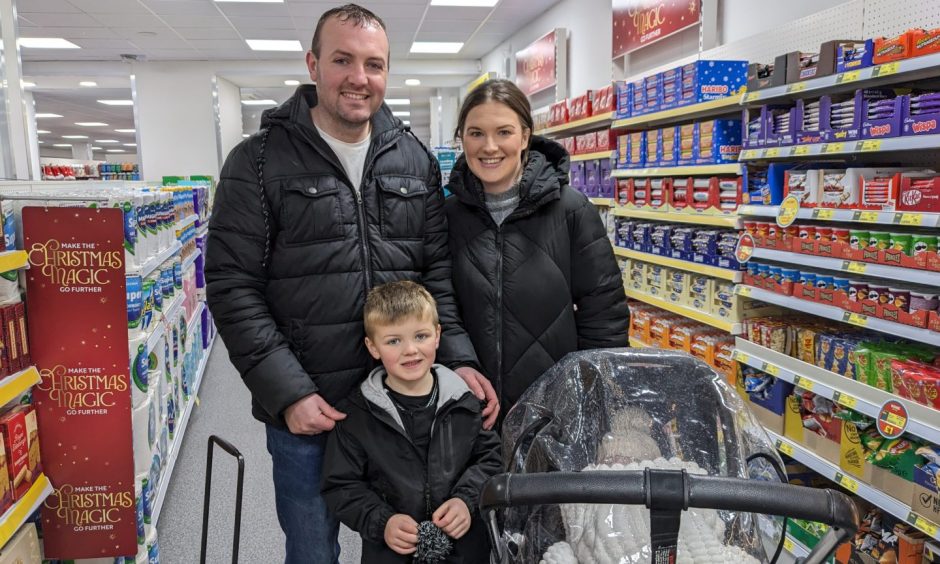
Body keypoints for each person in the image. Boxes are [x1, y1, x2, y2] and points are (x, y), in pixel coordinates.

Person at [204, 5, 493, 562]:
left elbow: (436, 275)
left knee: (408, 546)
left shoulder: (413, 159)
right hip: (313, 411)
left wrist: (457, 358)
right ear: (313, 64)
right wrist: (288, 392)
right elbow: (232, 285)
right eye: (343, 60)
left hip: (407, 405)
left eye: (374, 64)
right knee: (313, 550)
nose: (359, 78)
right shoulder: (257, 162)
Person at [446, 78, 630, 418]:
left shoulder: (571, 211)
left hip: (555, 410)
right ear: (462, 139)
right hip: (469, 408)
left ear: (525, 137)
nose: (489, 146)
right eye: (475, 133)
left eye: (503, 132)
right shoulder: (448, 216)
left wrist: (596, 399)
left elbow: (604, 315)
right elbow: (440, 307)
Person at [322, 280, 501, 563]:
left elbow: (491, 460)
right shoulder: (356, 416)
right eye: (394, 340)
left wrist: (466, 501)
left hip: (465, 550)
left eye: (421, 336)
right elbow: (341, 485)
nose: (410, 350)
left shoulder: (464, 402)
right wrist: (383, 522)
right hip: (391, 553)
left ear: (438, 335)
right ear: (373, 347)